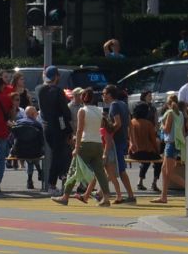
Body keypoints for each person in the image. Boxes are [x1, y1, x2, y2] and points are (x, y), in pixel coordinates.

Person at [53, 89, 112, 206]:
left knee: (74, 169)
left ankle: (65, 196)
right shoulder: (99, 111)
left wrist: (76, 146)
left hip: (85, 143)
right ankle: (106, 198)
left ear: (83, 98)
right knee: (100, 172)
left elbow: (80, 130)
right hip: (98, 143)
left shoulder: (82, 110)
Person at [36, 66, 73, 195]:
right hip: (59, 126)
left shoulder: (40, 90)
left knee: (56, 154)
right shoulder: (58, 91)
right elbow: (65, 111)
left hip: (46, 127)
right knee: (60, 155)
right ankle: (54, 183)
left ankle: (60, 177)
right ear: (57, 76)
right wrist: (69, 126)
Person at [151, 93, 188, 203]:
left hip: (170, 144)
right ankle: (164, 196)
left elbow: (167, 129)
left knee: (169, 172)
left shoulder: (170, 113)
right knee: (164, 170)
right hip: (176, 143)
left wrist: (161, 126)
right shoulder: (180, 113)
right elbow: (182, 130)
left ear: (168, 104)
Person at [102, 84, 135, 203]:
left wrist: (109, 133)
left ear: (110, 95)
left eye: (104, 93)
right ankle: (100, 192)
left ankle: (130, 196)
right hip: (123, 140)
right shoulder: (123, 104)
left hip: (116, 141)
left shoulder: (114, 105)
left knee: (119, 169)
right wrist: (132, 140)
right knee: (114, 168)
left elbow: (118, 123)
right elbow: (130, 124)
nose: (103, 96)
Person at [129, 92, 161, 192]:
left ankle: (140, 182)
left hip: (133, 153)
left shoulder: (131, 123)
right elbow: (153, 140)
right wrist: (157, 151)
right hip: (146, 152)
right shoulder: (148, 124)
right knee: (158, 161)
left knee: (146, 160)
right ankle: (154, 183)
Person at [11, 106, 45, 189]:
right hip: (35, 152)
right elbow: (42, 141)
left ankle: (30, 179)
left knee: (29, 159)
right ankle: (39, 172)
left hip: (20, 152)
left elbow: (11, 139)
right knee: (33, 156)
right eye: (36, 113)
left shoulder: (17, 123)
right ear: (33, 114)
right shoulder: (37, 125)